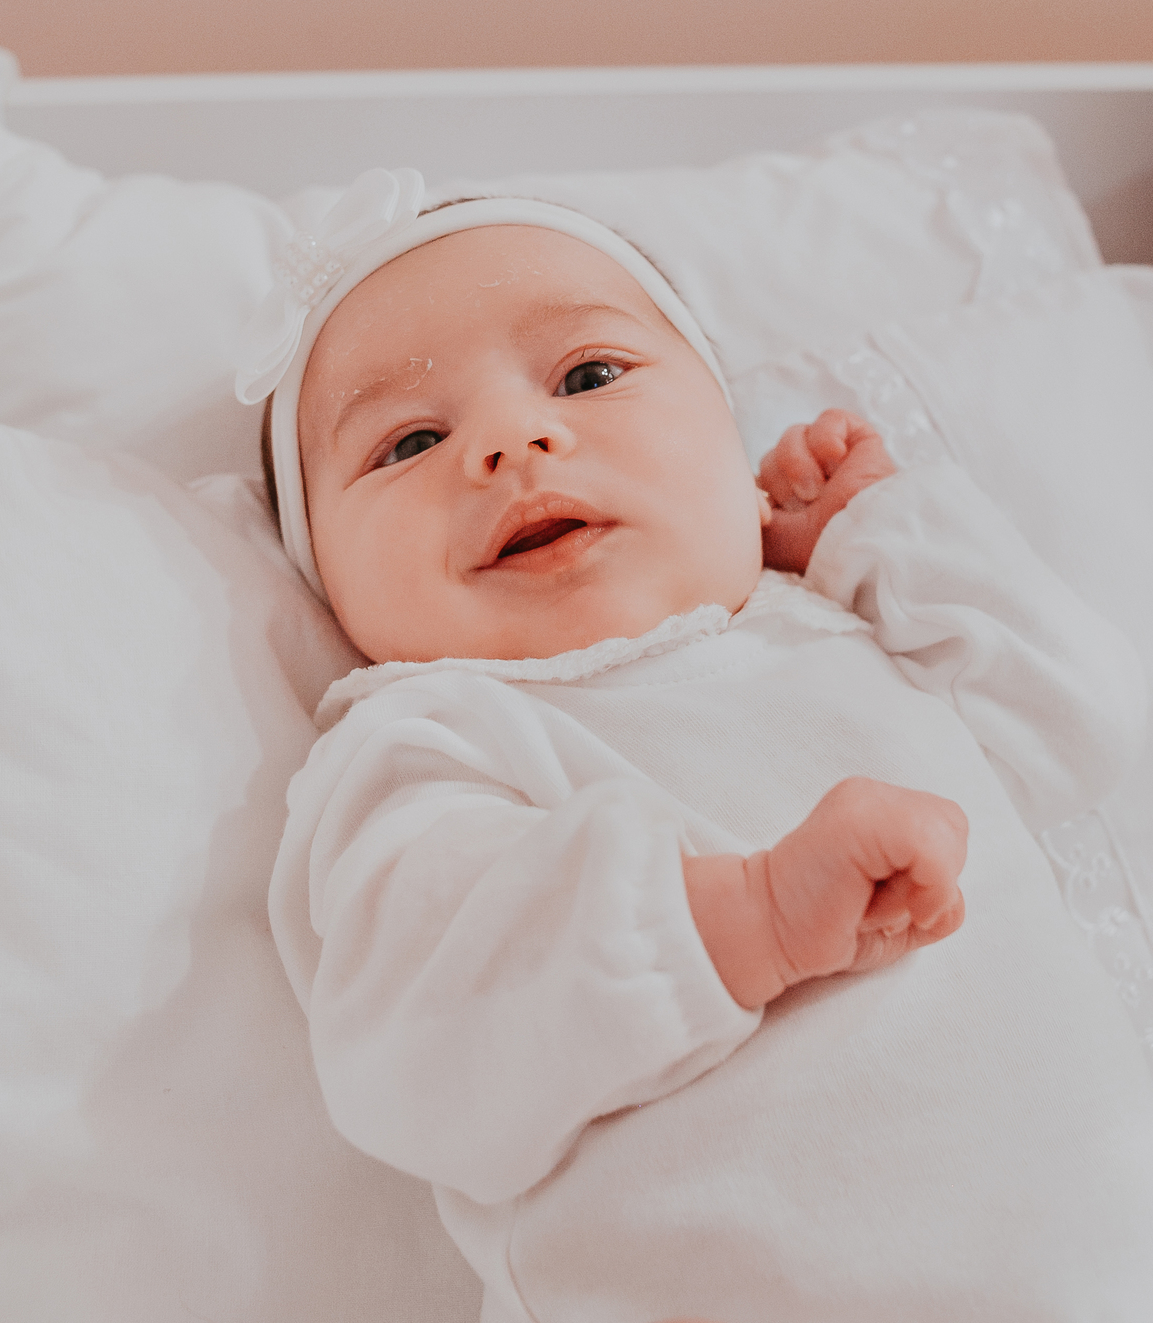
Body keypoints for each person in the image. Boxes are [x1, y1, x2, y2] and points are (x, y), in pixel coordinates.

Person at [237, 170, 1153, 1323]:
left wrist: (884, 528)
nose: (516, 439)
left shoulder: (840, 620)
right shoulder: (426, 738)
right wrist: (744, 919)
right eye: (409, 439)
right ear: (326, 583)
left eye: (588, 374)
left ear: (727, 435)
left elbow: (1082, 721)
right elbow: (426, 1040)